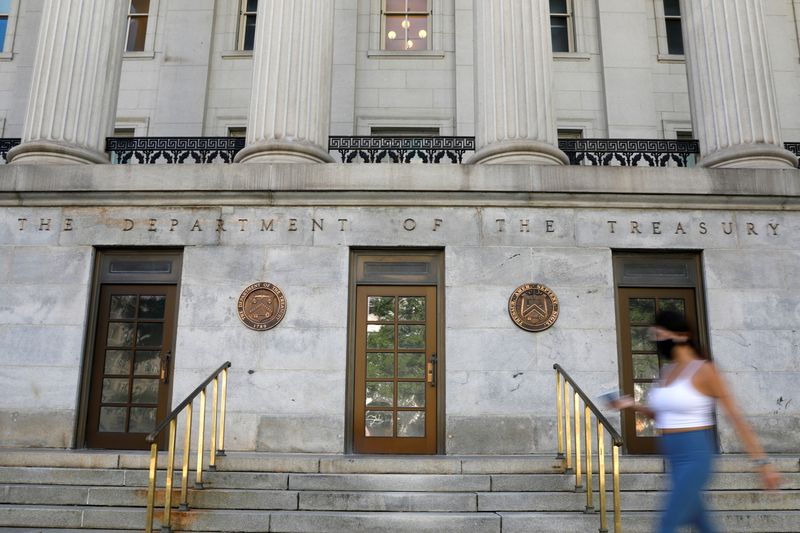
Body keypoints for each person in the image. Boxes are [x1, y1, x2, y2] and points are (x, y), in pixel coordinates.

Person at [611, 310, 781, 533]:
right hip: (672, 456)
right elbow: (661, 415)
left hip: (696, 456)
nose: (657, 341)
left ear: (681, 335)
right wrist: (631, 405)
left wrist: (763, 465)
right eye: (655, 336)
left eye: (660, 335)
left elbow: (737, 419)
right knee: (702, 522)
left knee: (667, 523)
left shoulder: (705, 370)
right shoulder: (667, 371)